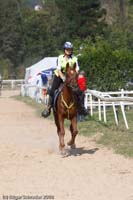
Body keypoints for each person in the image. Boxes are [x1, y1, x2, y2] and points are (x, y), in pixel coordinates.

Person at [42, 41, 86, 118]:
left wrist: (75, 77)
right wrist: (63, 78)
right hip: (59, 76)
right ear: (64, 50)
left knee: (80, 91)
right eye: (67, 49)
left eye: (70, 49)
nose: (69, 51)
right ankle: (48, 107)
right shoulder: (60, 58)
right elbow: (58, 70)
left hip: (71, 77)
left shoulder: (75, 58)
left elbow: (77, 70)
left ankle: (81, 108)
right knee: (53, 90)